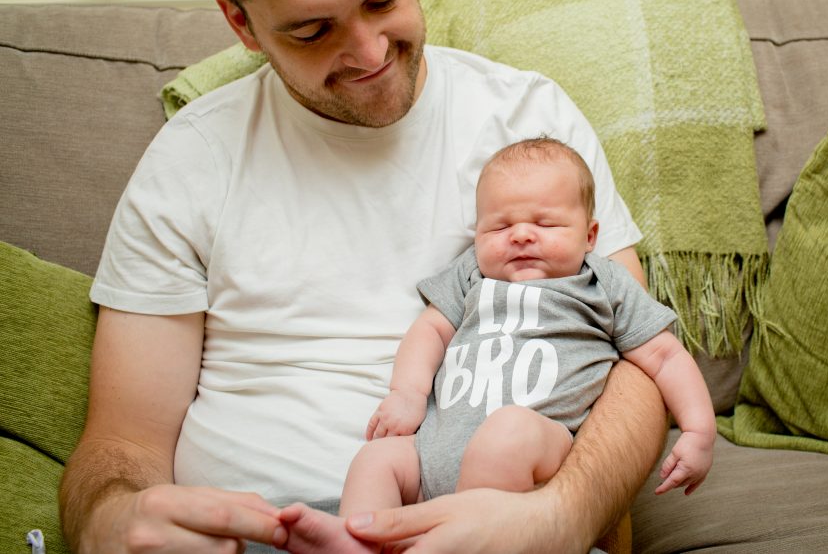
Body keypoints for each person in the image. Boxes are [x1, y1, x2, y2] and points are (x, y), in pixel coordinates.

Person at [57, 0, 670, 552]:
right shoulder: (191, 159)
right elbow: (121, 442)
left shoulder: (529, 121)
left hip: (485, 521)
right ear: (241, 23)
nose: (370, 53)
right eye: (313, 31)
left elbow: (640, 362)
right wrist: (109, 520)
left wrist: (560, 515)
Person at [279, 138, 716, 554]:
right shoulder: (471, 275)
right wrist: (407, 394)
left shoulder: (602, 283)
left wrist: (698, 429)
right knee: (376, 459)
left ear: (590, 236)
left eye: (546, 223)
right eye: (500, 226)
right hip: (433, 456)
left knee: (507, 431)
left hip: (537, 464)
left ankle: (471, 537)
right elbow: (429, 330)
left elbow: (662, 355)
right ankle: (360, 541)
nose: (521, 235)